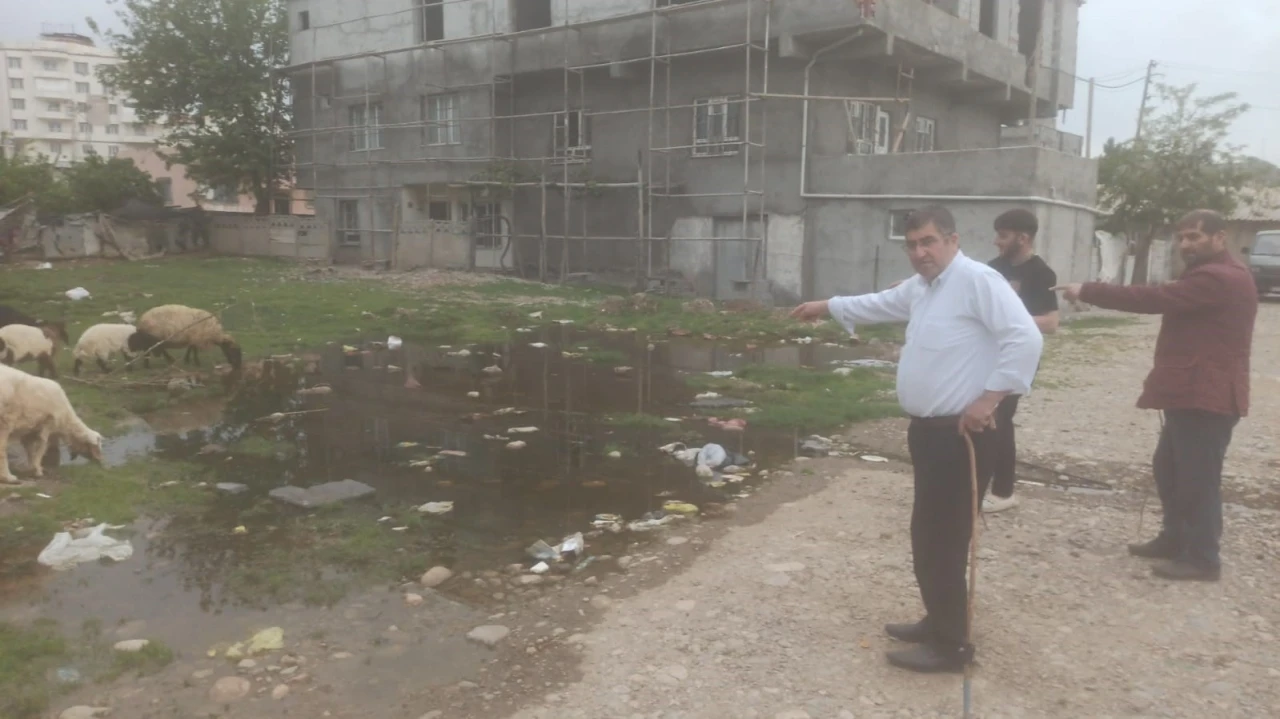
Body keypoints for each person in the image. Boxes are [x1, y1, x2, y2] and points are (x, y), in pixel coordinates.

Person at [790, 206, 1043, 673]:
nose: (920, 252)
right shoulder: (925, 287)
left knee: (944, 539)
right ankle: (938, 620)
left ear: (952, 240)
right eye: (912, 245)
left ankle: (951, 646)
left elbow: (1025, 338)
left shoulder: (977, 280)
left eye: (928, 241)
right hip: (928, 434)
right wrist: (827, 306)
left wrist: (989, 399)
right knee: (928, 534)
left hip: (961, 436)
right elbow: (878, 303)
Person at [1055, 209, 1257, 582]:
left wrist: (1089, 290)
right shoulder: (1210, 273)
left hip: (1206, 395)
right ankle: (1175, 538)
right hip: (1192, 392)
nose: (1185, 244)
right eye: (1181, 237)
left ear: (1220, 237)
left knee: (1197, 479)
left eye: (1195, 236)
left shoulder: (1219, 277)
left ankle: (1203, 559)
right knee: (1170, 468)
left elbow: (1153, 298)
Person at [983, 209, 1059, 513]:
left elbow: (1051, 322)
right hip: (988, 355)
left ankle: (1003, 492)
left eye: (1003, 236)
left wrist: (1010, 321)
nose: (996, 241)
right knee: (983, 419)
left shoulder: (1042, 274)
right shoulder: (992, 269)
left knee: (1001, 419)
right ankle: (979, 481)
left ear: (1023, 238)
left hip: (1019, 356)